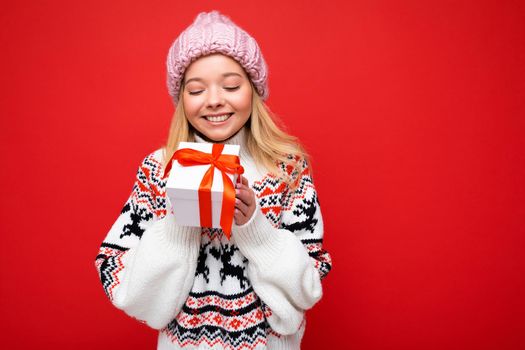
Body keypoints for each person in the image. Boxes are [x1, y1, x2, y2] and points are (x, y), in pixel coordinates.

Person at [94, 10, 332, 350]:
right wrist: (179, 220)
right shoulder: (158, 169)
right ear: (181, 100)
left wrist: (255, 229)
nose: (215, 99)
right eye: (196, 89)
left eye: (231, 85)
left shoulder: (286, 169)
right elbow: (128, 291)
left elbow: (306, 292)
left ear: (253, 90)